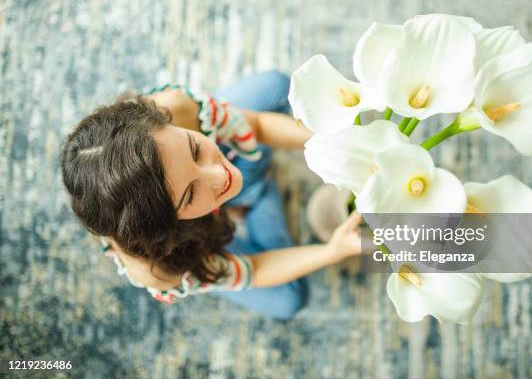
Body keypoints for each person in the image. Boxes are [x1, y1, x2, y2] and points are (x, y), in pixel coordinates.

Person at [60, 71, 363, 320]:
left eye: (194, 149)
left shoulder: (173, 108)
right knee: (291, 299)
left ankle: (250, 190)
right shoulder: (160, 269)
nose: (221, 175)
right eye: (190, 194)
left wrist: (340, 150)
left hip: (224, 161)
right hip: (193, 240)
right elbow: (255, 270)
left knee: (276, 86)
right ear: (167, 223)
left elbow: (255, 123)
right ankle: (255, 193)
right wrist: (332, 251)